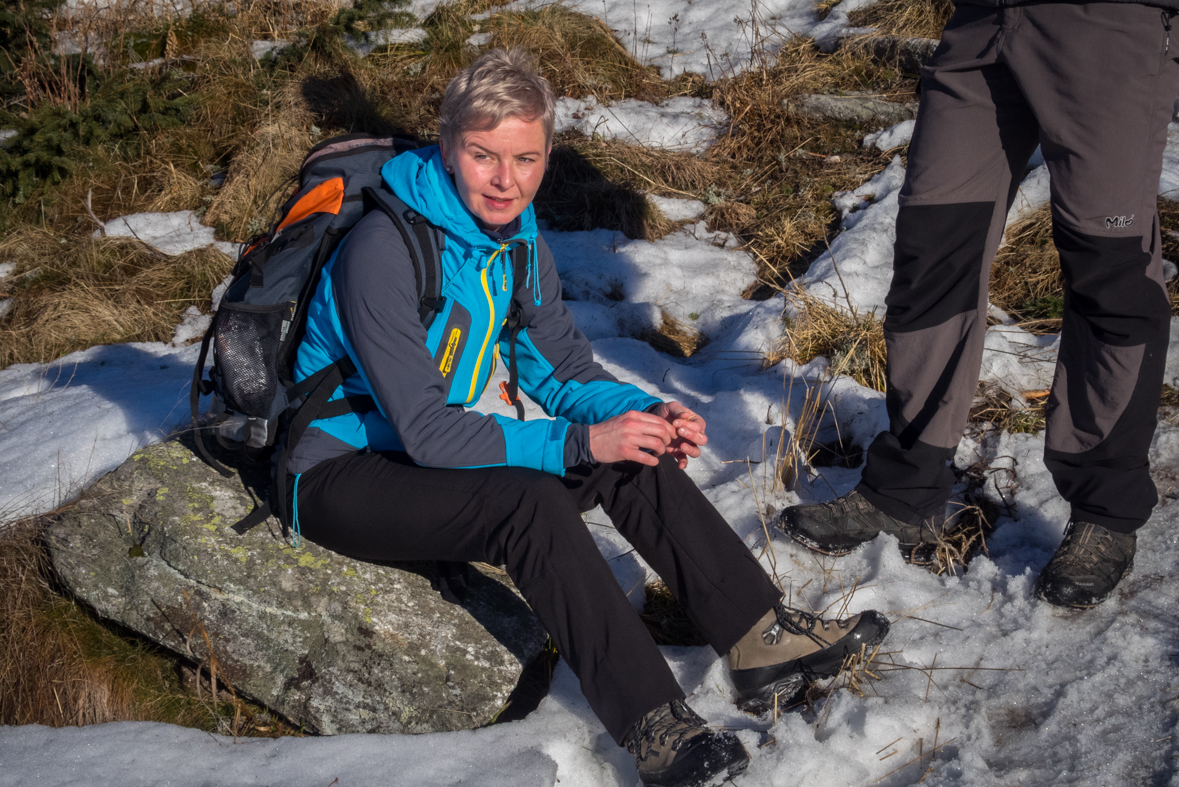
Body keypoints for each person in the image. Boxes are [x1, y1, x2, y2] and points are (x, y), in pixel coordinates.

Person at [281, 49, 889, 787]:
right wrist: (575, 439)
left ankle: (758, 634)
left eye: (526, 158)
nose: (506, 180)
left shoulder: (515, 239)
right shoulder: (382, 250)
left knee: (626, 449)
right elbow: (428, 431)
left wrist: (642, 413)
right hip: (337, 472)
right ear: (445, 149)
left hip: (420, 454)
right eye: (483, 156)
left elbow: (564, 370)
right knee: (529, 501)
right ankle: (655, 726)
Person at [780, 2, 1179, 609]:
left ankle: (1106, 511)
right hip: (983, 20)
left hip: (1108, 25)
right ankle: (905, 488)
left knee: (1111, 266)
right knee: (934, 248)